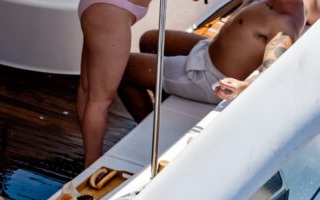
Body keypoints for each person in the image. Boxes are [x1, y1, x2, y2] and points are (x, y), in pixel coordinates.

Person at [118, 0, 305, 122]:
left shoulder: (284, 25)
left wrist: (242, 86)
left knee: (121, 69)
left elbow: (272, 74)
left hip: (208, 77)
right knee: (149, 40)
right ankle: (167, 97)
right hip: (208, 50)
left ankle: (148, 123)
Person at [77, 0, 152, 167]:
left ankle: (90, 157)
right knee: (100, 99)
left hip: (103, 8)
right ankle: (92, 162)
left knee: (88, 89)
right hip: (111, 11)